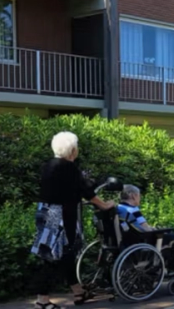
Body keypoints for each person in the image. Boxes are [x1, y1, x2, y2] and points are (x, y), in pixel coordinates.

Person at [31, 131, 115, 309]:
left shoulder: (49, 165)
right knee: (51, 256)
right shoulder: (68, 167)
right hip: (61, 215)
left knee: (64, 253)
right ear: (72, 150)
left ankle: (78, 291)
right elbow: (86, 191)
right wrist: (104, 205)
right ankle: (42, 301)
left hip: (45, 212)